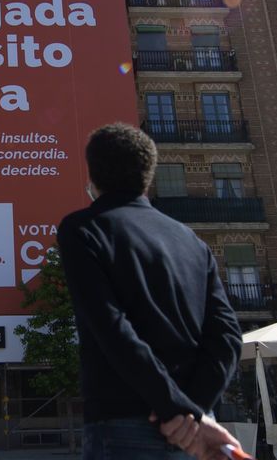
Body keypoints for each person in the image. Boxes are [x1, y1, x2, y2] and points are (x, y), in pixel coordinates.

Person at [57, 124, 243, 460]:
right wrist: (193, 413)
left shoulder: (82, 229)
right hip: (194, 432)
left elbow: (113, 329)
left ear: (93, 174)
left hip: (124, 426)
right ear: (149, 174)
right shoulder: (191, 241)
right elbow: (227, 335)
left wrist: (176, 410)